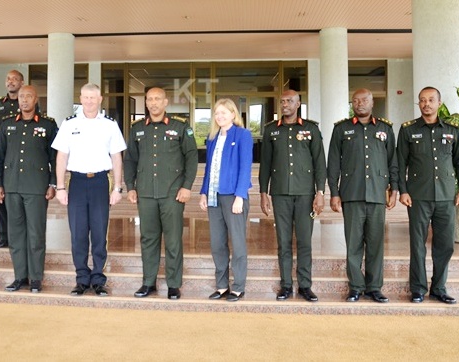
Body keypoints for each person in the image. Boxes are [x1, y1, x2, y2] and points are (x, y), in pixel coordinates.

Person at [124, 87, 198, 300]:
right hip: (146, 192)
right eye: (150, 99)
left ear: (166, 102)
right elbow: (130, 159)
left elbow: (191, 157)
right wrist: (130, 186)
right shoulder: (137, 129)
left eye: (158, 99)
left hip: (172, 193)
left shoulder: (180, 127)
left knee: (173, 239)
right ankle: (149, 282)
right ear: (146, 103)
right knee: (148, 239)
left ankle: (174, 284)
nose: (153, 103)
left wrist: (187, 186)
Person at [52, 83, 126, 297]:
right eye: (85, 97)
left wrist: (118, 187)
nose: (89, 101)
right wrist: (60, 187)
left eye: (93, 97)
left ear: (100, 99)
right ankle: (81, 278)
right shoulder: (69, 124)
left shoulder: (110, 125)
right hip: (76, 183)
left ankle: (98, 279)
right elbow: (61, 157)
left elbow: (117, 157)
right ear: (81, 98)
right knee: (78, 233)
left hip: (101, 182)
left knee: (100, 232)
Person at [397, 86, 459, 304]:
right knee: (417, 244)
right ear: (418, 104)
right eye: (422, 100)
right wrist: (403, 190)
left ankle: (439, 288)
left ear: (439, 102)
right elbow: (400, 163)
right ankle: (418, 289)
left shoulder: (452, 130)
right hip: (418, 196)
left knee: (445, 244)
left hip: (447, 197)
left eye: (430, 100)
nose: (426, 104)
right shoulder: (408, 130)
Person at [327, 88, 398, 303]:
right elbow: (333, 164)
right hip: (352, 193)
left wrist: (394, 189)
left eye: (364, 100)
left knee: (376, 243)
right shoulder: (342, 129)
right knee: (354, 243)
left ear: (372, 102)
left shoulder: (385, 128)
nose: (360, 104)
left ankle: (374, 287)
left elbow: (392, 161)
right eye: (355, 100)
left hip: (377, 193)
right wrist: (334, 193)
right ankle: (356, 286)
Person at [259, 89, 326, 302]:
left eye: (289, 101)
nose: (285, 104)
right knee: (283, 241)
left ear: (298, 104)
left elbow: (319, 163)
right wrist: (263, 192)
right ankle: (286, 285)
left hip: (305, 193)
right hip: (280, 193)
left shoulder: (311, 129)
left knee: (305, 241)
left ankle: (305, 285)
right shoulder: (271, 130)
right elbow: (266, 164)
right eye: (282, 101)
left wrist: (320, 192)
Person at [0, 85, 57, 293]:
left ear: (36, 99)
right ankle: (20, 275)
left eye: (28, 96)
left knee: (36, 233)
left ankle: (36, 277)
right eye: (21, 97)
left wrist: (53, 183)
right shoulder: (7, 124)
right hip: (12, 186)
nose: (24, 100)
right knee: (16, 233)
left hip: (37, 187)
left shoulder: (47, 125)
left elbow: (54, 158)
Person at [199, 98, 253, 302]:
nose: (220, 116)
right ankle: (222, 285)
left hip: (233, 196)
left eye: (224, 112)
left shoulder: (242, 135)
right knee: (217, 243)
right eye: (216, 113)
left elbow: (245, 167)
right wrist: (203, 192)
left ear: (233, 114)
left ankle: (238, 286)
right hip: (214, 197)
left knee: (238, 244)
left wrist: (240, 196)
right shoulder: (212, 138)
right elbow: (208, 169)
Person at [0, 70, 25, 249]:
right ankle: (4, 236)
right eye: (8, 78)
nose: (11, 82)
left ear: (21, 82)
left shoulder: (26, 102)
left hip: (21, 157)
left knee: (18, 200)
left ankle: (18, 236)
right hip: (3, 157)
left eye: (15, 79)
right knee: (1, 198)